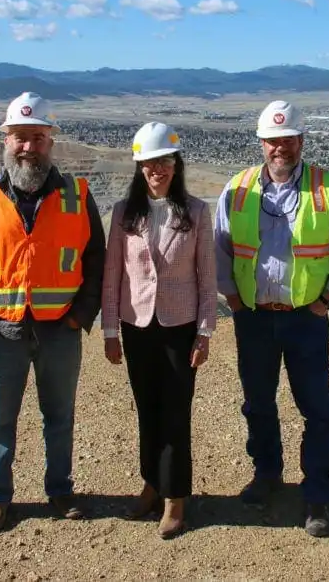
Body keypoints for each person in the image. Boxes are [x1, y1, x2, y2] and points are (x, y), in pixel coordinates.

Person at [0, 91, 106, 532]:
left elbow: (96, 258)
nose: (28, 147)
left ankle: (60, 490)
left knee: (60, 416)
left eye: (36, 137)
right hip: (0, 331)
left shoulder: (77, 194)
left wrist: (80, 314)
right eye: (19, 137)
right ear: (6, 140)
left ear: (50, 140)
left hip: (60, 330)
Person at [213, 99, 329, 538]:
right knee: (258, 402)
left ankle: (317, 495)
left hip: (306, 319)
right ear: (261, 143)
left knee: (317, 409)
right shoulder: (238, 188)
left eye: (289, 140)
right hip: (254, 318)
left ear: (301, 142)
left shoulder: (328, 187)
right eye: (273, 141)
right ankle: (267, 474)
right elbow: (220, 248)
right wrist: (234, 301)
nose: (281, 148)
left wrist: (328, 299)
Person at [101, 121, 217, 540]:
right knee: (147, 410)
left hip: (179, 327)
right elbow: (112, 276)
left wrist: (205, 333)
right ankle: (150, 484)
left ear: (176, 163)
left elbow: (207, 279)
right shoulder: (123, 214)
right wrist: (110, 332)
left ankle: (175, 498)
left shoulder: (198, 212)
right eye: (149, 163)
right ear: (139, 167)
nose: (157, 170)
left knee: (175, 413)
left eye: (164, 161)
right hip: (136, 327)